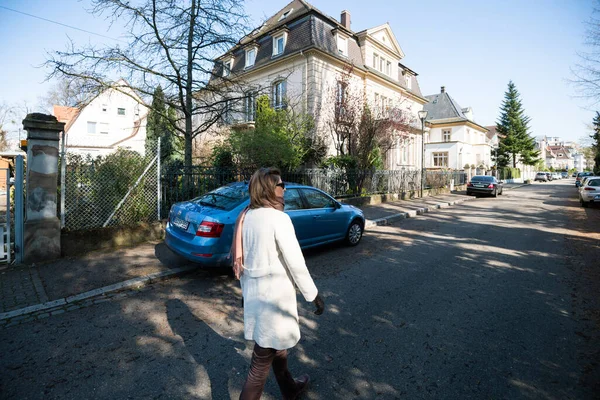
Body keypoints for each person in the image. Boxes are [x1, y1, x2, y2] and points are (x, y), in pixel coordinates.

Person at [232, 167, 325, 400]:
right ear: (268, 189)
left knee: (277, 346)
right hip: (272, 302)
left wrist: (246, 294)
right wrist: (313, 295)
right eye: (281, 184)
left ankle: (290, 388)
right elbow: (296, 262)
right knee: (259, 365)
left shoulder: (246, 217)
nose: (285, 188)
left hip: (256, 298)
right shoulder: (278, 218)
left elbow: (246, 260)